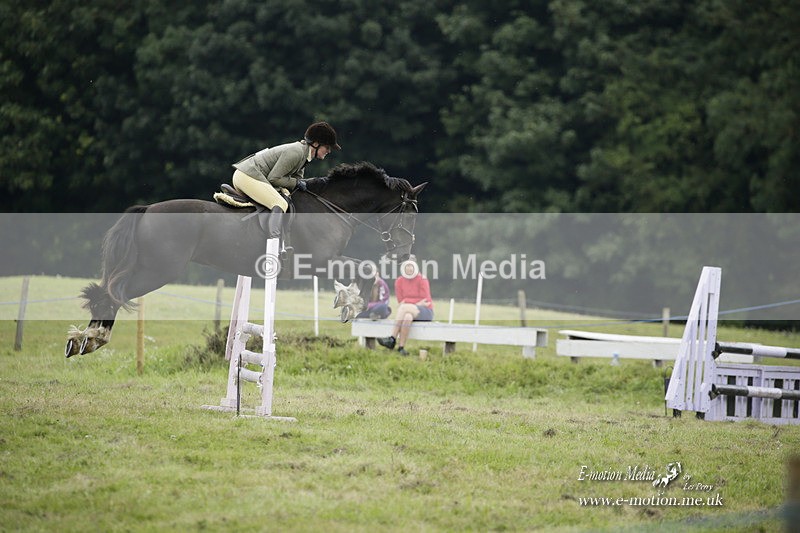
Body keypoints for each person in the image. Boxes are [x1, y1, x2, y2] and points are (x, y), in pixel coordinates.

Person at [231, 121, 341, 238]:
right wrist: (296, 183)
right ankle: (273, 246)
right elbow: (274, 179)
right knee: (279, 203)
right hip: (247, 176)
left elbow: (296, 181)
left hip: (251, 176)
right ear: (316, 144)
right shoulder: (296, 152)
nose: (329, 151)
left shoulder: (305, 156)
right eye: (327, 147)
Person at [377, 256, 434, 356]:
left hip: (425, 311)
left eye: (411, 265)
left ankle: (392, 338)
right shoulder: (399, 281)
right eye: (407, 265)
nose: (409, 268)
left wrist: (408, 302)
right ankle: (401, 347)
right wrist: (416, 303)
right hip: (410, 310)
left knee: (403, 308)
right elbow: (400, 301)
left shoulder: (422, 279)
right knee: (407, 316)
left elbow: (425, 301)